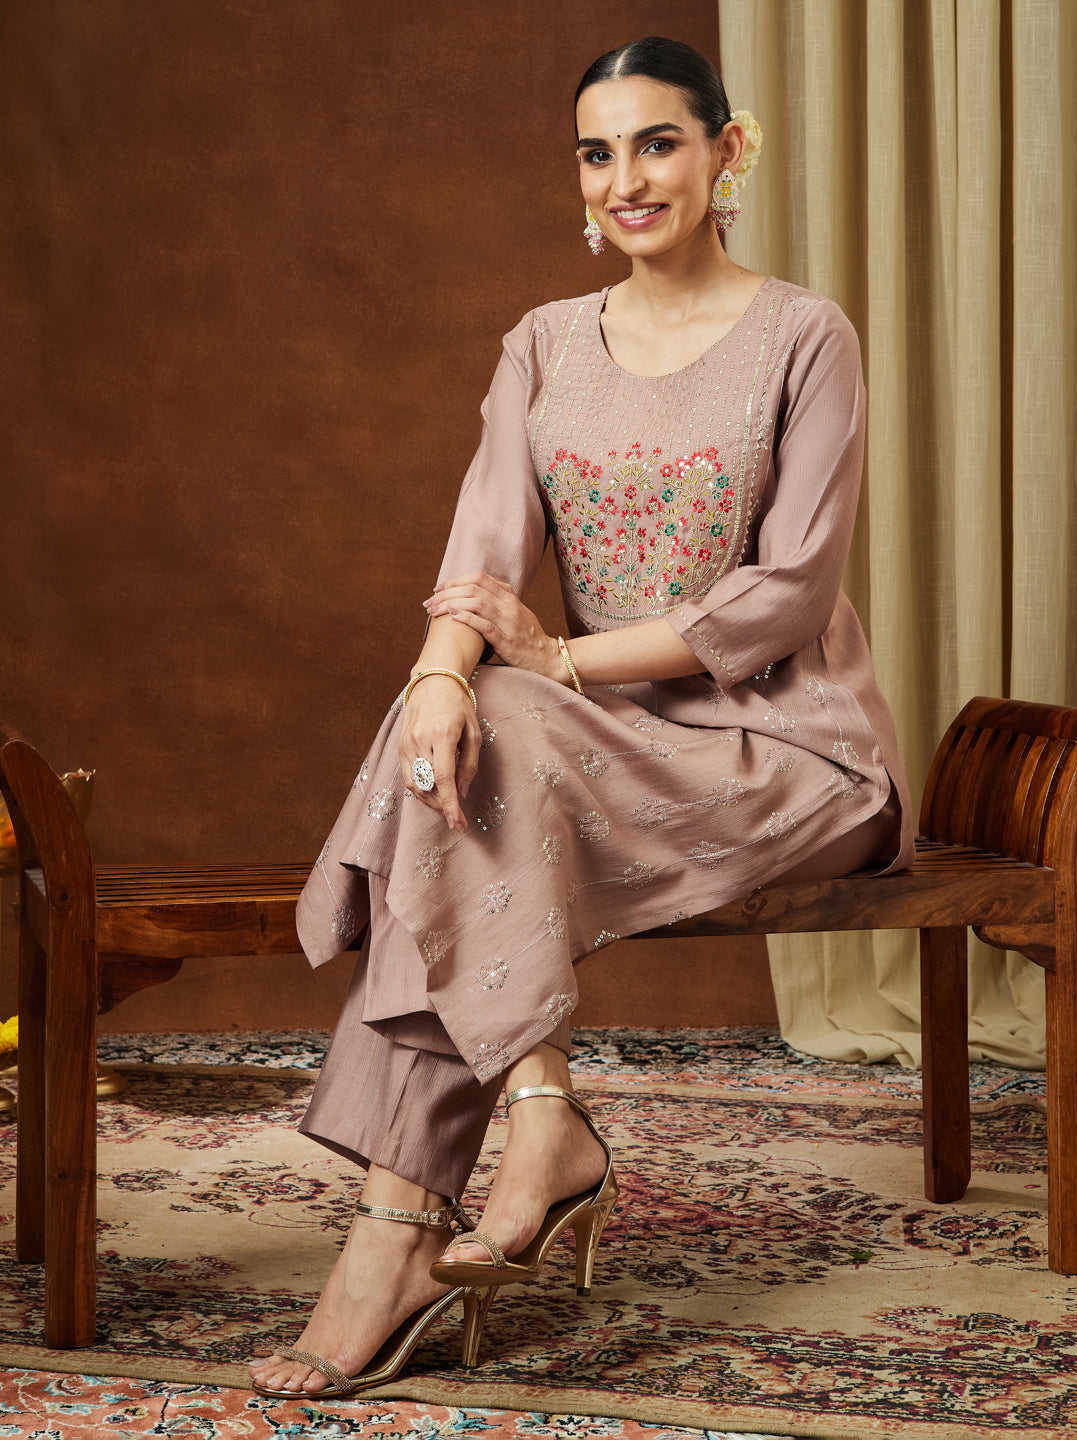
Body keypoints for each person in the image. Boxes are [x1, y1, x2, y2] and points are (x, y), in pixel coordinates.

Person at [249, 35, 913, 1399]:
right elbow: (484, 551)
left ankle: (407, 1234)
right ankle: (527, 1128)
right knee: (464, 737)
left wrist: (555, 663)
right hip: (589, 742)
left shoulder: (806, 334)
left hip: (789, 746)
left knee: (497, 744)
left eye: (658, 143)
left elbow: (788, 595)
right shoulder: (545, 343)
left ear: (729, 150)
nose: (628, 180)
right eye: (598, 154)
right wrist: (440, 677)